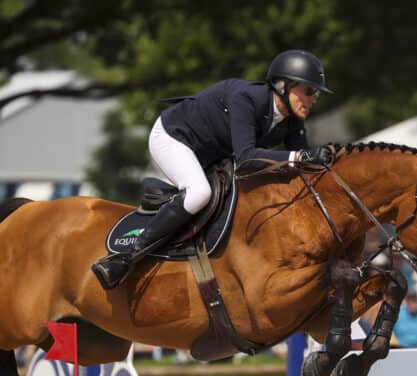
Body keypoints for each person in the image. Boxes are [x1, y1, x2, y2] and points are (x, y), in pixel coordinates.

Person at [92, 50, 333, 289]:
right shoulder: (247, 98)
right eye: (309, 91)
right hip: (174, 137)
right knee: (199, 193)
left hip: (211, 154)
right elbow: (247, 158)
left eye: (316, 94)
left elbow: (304, 169)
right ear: (283, 86)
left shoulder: (292, 121)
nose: (313, 99)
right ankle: (125, 259)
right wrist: (300, 156)